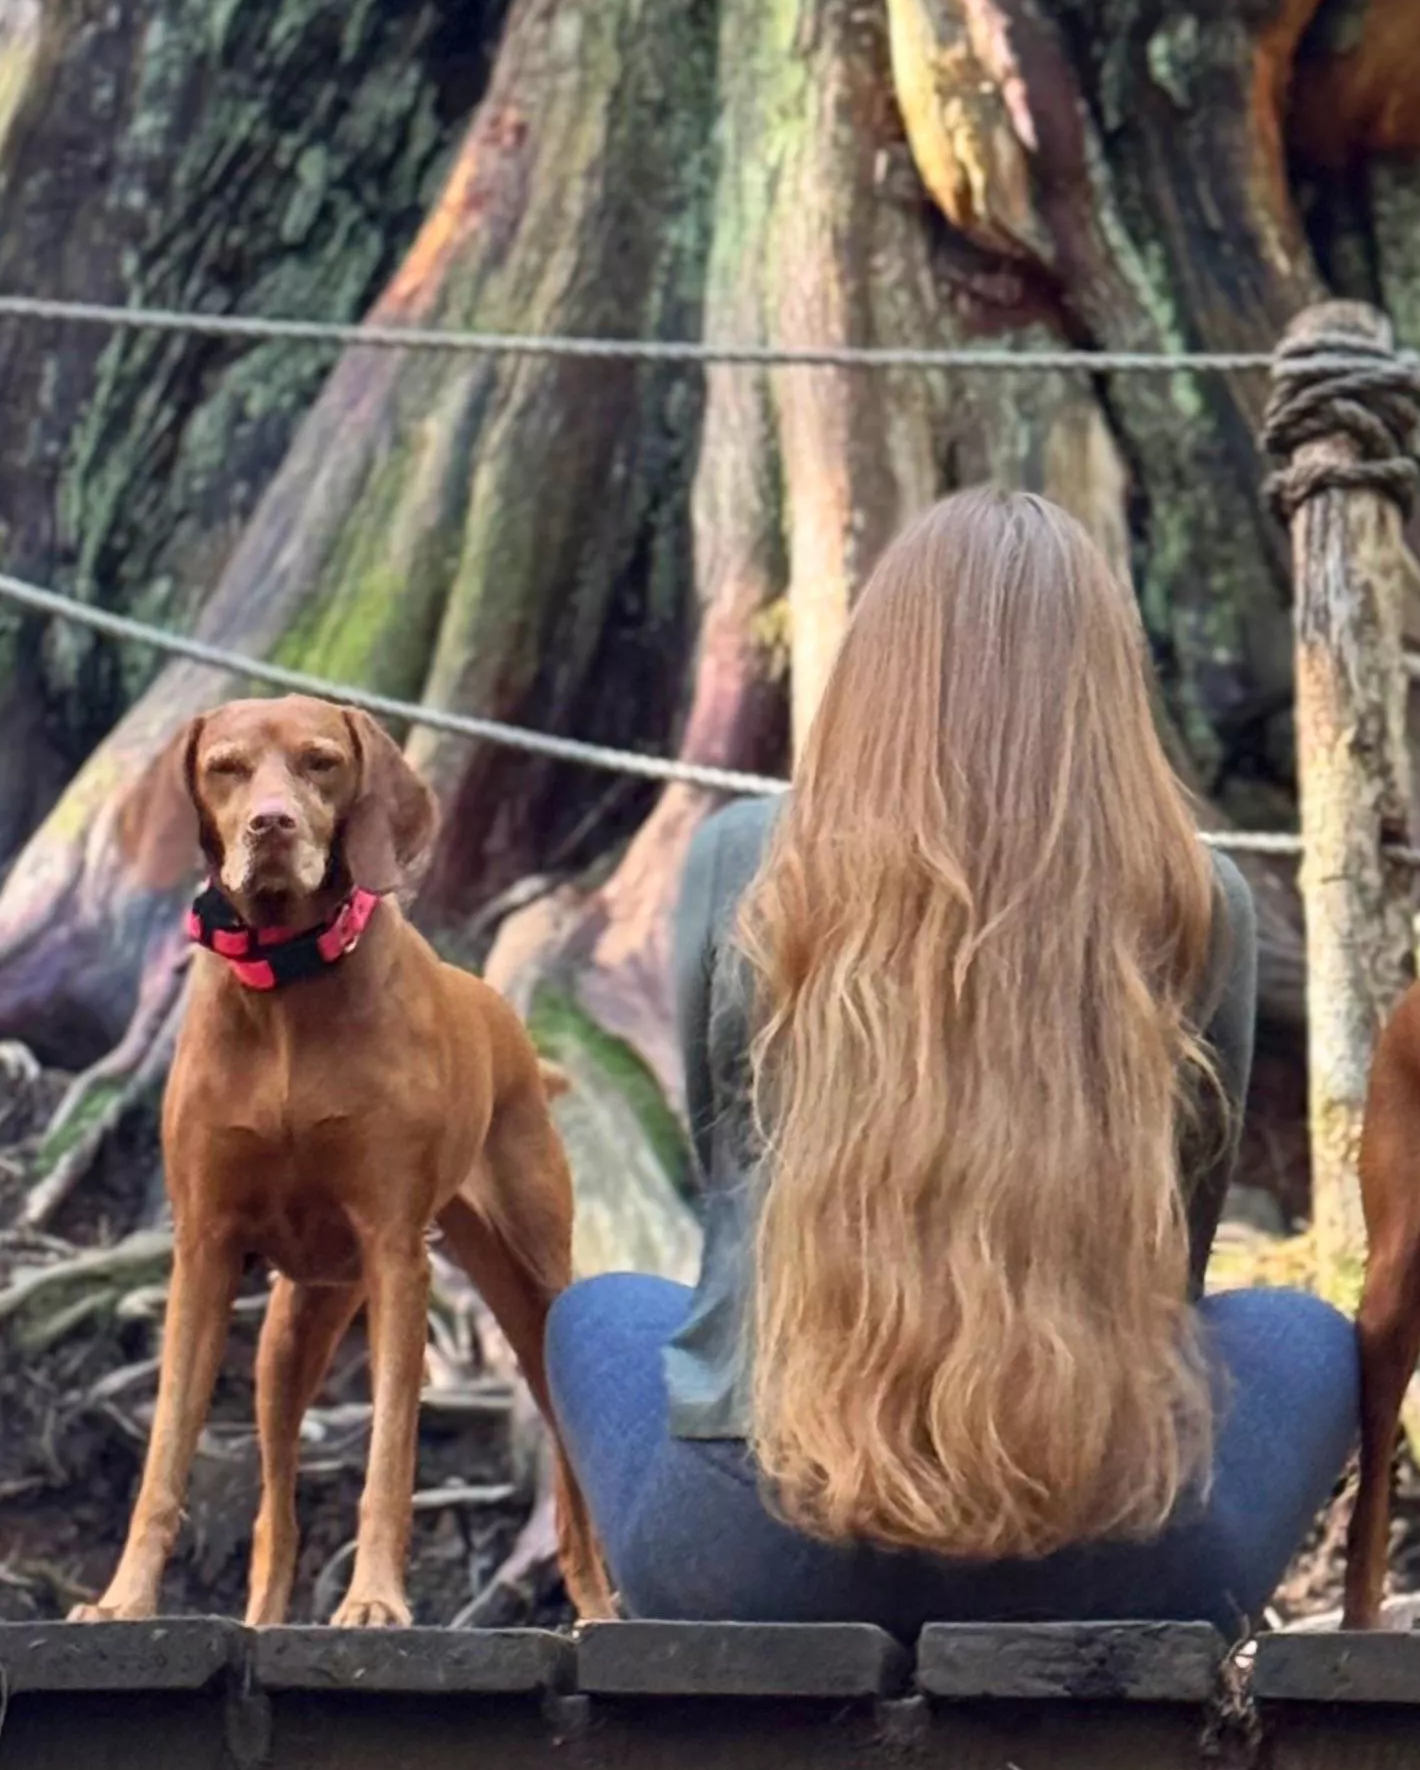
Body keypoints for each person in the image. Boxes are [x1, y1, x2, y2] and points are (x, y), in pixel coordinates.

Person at [543, 487, 1360, 1628]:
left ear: (874, 680)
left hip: (748, 1550)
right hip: (1112, 1547)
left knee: (598, 1311)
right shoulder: (1194, 897)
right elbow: (1174, 1254)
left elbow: (731, 1181)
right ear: (1105, 691)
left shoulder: (743, 860)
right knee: (1306, 1333)